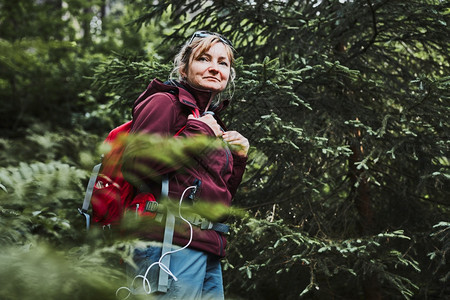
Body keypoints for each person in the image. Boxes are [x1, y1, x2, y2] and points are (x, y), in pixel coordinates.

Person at [120, 31, 249, 299]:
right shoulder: (164, 103)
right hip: (166, 244)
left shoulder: (209, 120)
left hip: (206, 247)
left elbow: (217, 202)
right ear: (183, 67)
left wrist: (237, 159)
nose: (215, 67)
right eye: (204, 59)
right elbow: (136, 165)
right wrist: (198, 131)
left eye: (223, 63)